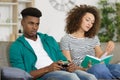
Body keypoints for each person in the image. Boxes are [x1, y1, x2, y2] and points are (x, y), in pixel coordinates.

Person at [9, 7, 97, 80]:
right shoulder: (16, 47)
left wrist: (69, 65)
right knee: (72, 77)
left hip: (61, 70)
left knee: (90, 77)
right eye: (31, 23)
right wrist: (48, 69)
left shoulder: (48, 39)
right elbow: (21, 76)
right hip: (44, 76)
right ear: (22, 23)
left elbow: (62, 58)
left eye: (37, 24)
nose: (34, 27)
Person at [60, 4, 120, 79]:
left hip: (98, 66)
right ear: (78, 18)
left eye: (92, 22)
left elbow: (99, 57)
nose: (90, 24)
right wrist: (84, 69)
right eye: (87, 20)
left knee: (117, 68)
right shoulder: (66, 39)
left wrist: (107, 51)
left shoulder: (93, 38)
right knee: (99, 69)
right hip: (83, 70)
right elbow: (68, 65)